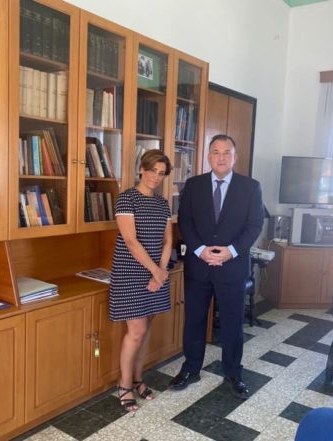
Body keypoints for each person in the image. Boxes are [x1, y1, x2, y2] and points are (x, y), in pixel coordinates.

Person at [169, 134, 264, 400]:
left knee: (233, 322)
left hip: (232, 267)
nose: (221, 157)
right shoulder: (194, 185)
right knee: (194, 320)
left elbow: (255, 225)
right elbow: (185, 221)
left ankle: (233, 372)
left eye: (227, 152)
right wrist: (200, 250)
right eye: (216, 152)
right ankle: (191, 369)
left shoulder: (250, 187)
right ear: (208, 156)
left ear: (235, 157)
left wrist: (230, 252)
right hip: (198, 267)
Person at [109, 149, 173, 412]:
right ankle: (124, 385)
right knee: (135, 331)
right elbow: (131, 241)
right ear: (141, 169)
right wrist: (155, 272)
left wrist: (161, 270)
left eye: (161, 173)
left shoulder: (163, 203)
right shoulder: (126, 199)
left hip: (157, 273)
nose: (156, 177)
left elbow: (168, 240)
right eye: (152, 170)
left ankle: (138, 379)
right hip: (130, 273)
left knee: (146, 329)